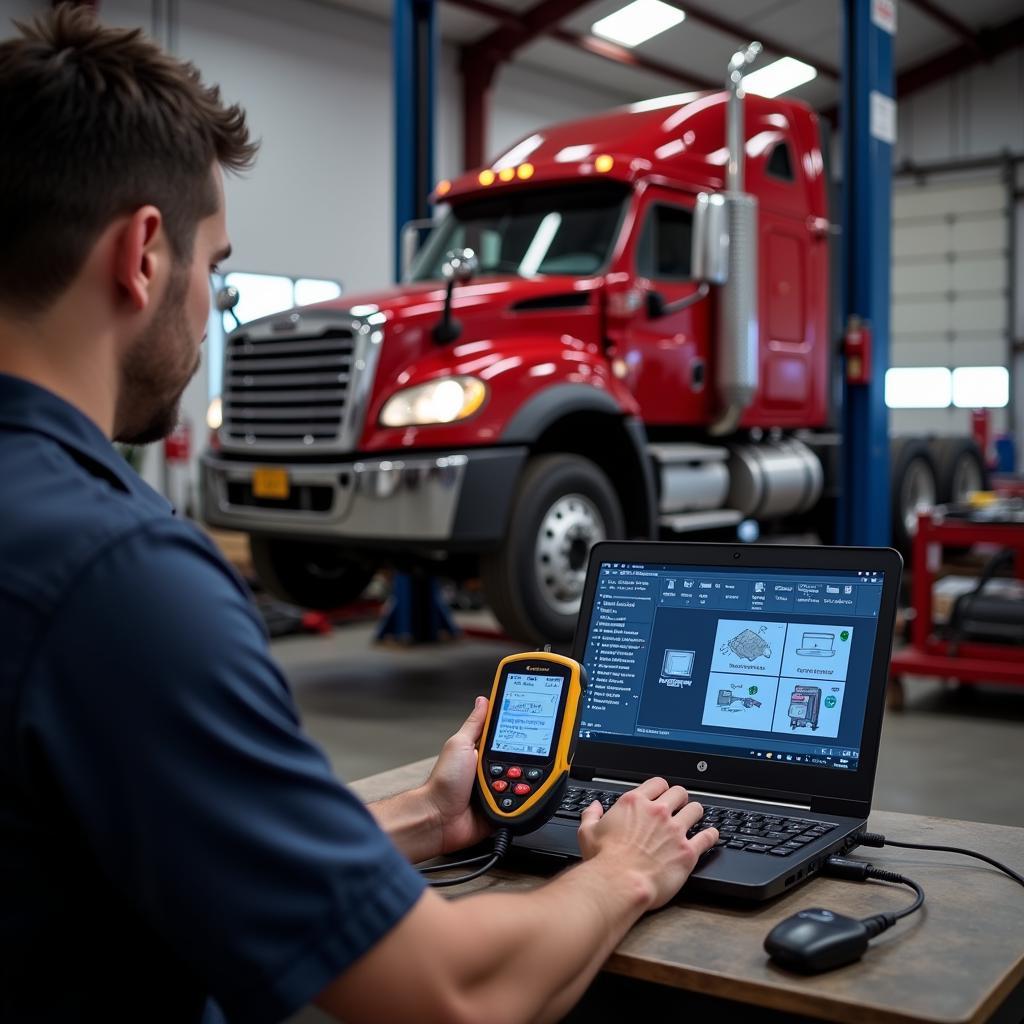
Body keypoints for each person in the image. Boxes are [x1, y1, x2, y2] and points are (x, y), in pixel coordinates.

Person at [0, 7, 718, 1023]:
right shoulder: (121, 579)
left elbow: (173, 840)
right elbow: (458, 992)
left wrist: (430, 811)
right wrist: (627, 869)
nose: (211, 307)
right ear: (144, 255)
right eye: (216, 267)